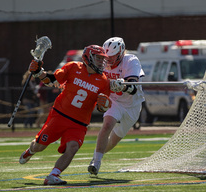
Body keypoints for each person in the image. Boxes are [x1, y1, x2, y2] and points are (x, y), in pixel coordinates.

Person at [18, 45, 112, 185]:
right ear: (88, 57)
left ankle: (53, 175)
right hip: (60, 115)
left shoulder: (104, 81)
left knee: (73, 147)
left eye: (102, 59)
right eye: (98, 58)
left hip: (79, 123)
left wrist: (105, 105)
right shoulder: (73, 67)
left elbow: (101, 108)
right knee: (40, 146)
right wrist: (38, 72)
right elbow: (52, 81)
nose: (101, 62)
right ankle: (30, 151)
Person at [88, 37, 145, 176]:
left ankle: (97, 154)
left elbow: (133, 88)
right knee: (107, 125)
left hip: (132, 106)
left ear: (120, 54)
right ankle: (96, 163)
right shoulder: (102, 62)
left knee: (113, 141)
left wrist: (123, 85)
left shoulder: (131, 61)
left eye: (112, 57)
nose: (109, 61)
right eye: (107, 57)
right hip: (114, 101)